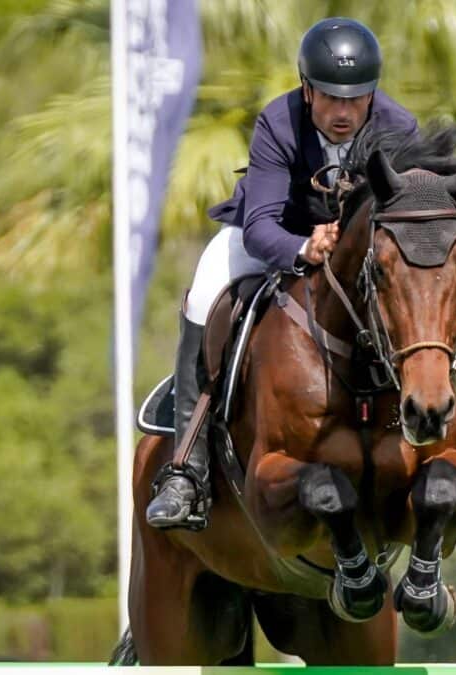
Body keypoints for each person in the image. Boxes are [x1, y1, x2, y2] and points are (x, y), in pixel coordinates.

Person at [145, 17, 419, 529]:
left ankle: (429, 446)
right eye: (330, 98)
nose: (342, 112)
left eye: (355, 99)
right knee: (204, 293)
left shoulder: (397, 129)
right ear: (307, 88)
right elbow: (260, 227)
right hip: (280, 233)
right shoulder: (279, 121)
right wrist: (304, 249)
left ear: (373, 93)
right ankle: (186, 469)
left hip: (359, 251)